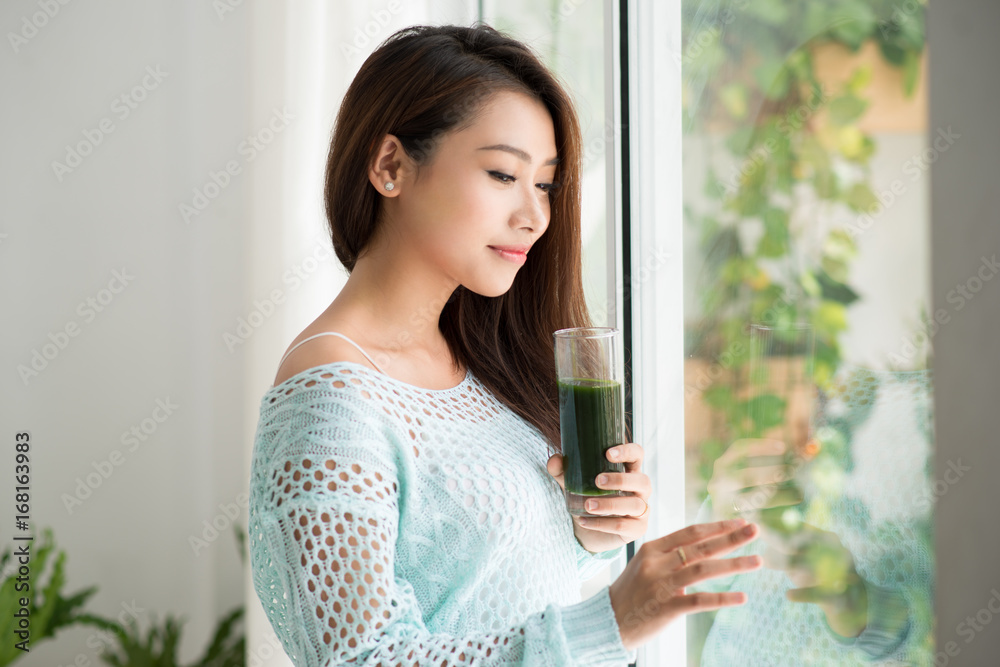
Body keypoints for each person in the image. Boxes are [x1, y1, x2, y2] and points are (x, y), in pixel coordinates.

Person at [248, 23, 763, 666]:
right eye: (502, 174)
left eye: (545, 184)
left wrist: (586, 532)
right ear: (390, 166)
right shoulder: (330, 398)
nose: (536, 215)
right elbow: (364, 658)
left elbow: (481, 589)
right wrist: (612, 621)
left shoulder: (485, 367)